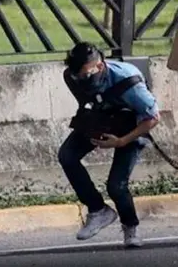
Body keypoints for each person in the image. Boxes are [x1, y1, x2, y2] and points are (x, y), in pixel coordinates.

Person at [59, 42, 160, 248]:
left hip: (133, 125)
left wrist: (121, 141)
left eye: (86, 75)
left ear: (100, 66)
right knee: (67, 156)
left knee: (116, 185)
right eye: (77, 75)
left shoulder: (129, 84)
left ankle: (130, 228)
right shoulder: (71, 76)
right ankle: (98, 210)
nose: (81, 79)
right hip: (104, 116)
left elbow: (152, 118)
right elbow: (87, 99)